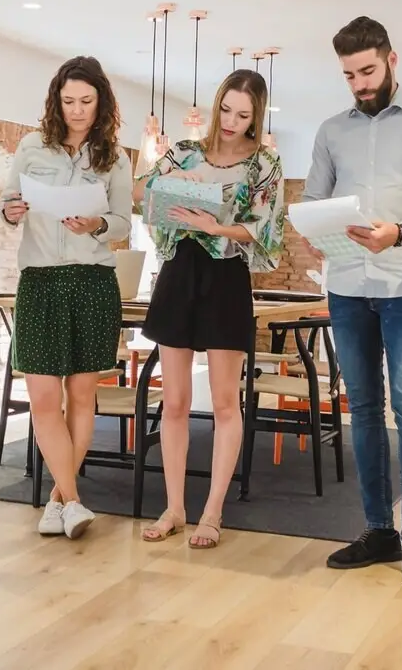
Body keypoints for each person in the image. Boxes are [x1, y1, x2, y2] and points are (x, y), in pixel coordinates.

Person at [300, 15, 402, 591]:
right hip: (347, 289)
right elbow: (314, 198)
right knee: (363, 410)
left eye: (367, 70)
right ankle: (377, 532)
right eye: (349, 75)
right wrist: (311, 223)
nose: (360, 84)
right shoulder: (329, 131)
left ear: (392, 60)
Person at [133, 69, 287, 549]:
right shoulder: (184, 150)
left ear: (256, 118)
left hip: (225, 279)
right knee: (174, 401)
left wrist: (214, 225)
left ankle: (213, 511)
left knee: (224, 402)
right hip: (179, 273)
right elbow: (142, 194)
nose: (231, 121)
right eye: (226, 110)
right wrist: (171, 180)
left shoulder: (264, 164)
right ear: (217, 104)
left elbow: (267, 231)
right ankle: (175, 507)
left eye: (243, 115)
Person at [0, 56, 133, 539]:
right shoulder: (33, 146)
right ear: (57, 100)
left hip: (93, 281)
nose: (77, 110)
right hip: (40, 281)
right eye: (69, 101)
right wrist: (12, 210)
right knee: (42, 397)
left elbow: (122, 222)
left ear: (102, 103)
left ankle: (58, 501)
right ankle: (73, 499)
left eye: (86, 101)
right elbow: (7, 203)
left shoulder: (115, 158)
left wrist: (96, 223)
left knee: (81, 396)